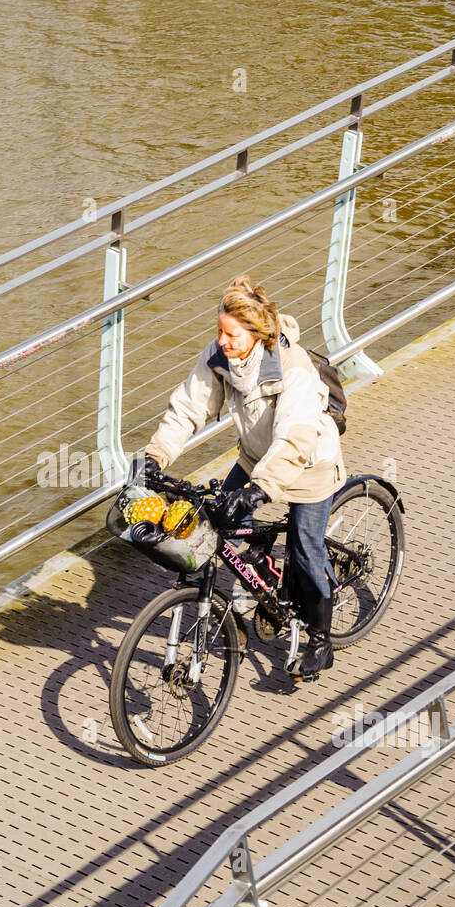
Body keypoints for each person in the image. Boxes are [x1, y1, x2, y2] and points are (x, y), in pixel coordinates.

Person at [134, 274, 346, 681]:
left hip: (308, 465)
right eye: (219, 331)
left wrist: (258, 491)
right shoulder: (220, 358)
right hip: (255, 459)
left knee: (305, 550)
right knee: (216, 523)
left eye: (231, 334)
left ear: (256, 332)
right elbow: (187, 409)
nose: (223, 341)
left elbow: (295, 438)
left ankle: (321, 641)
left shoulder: (293, 367)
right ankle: (260, 572)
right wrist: (154, 457)